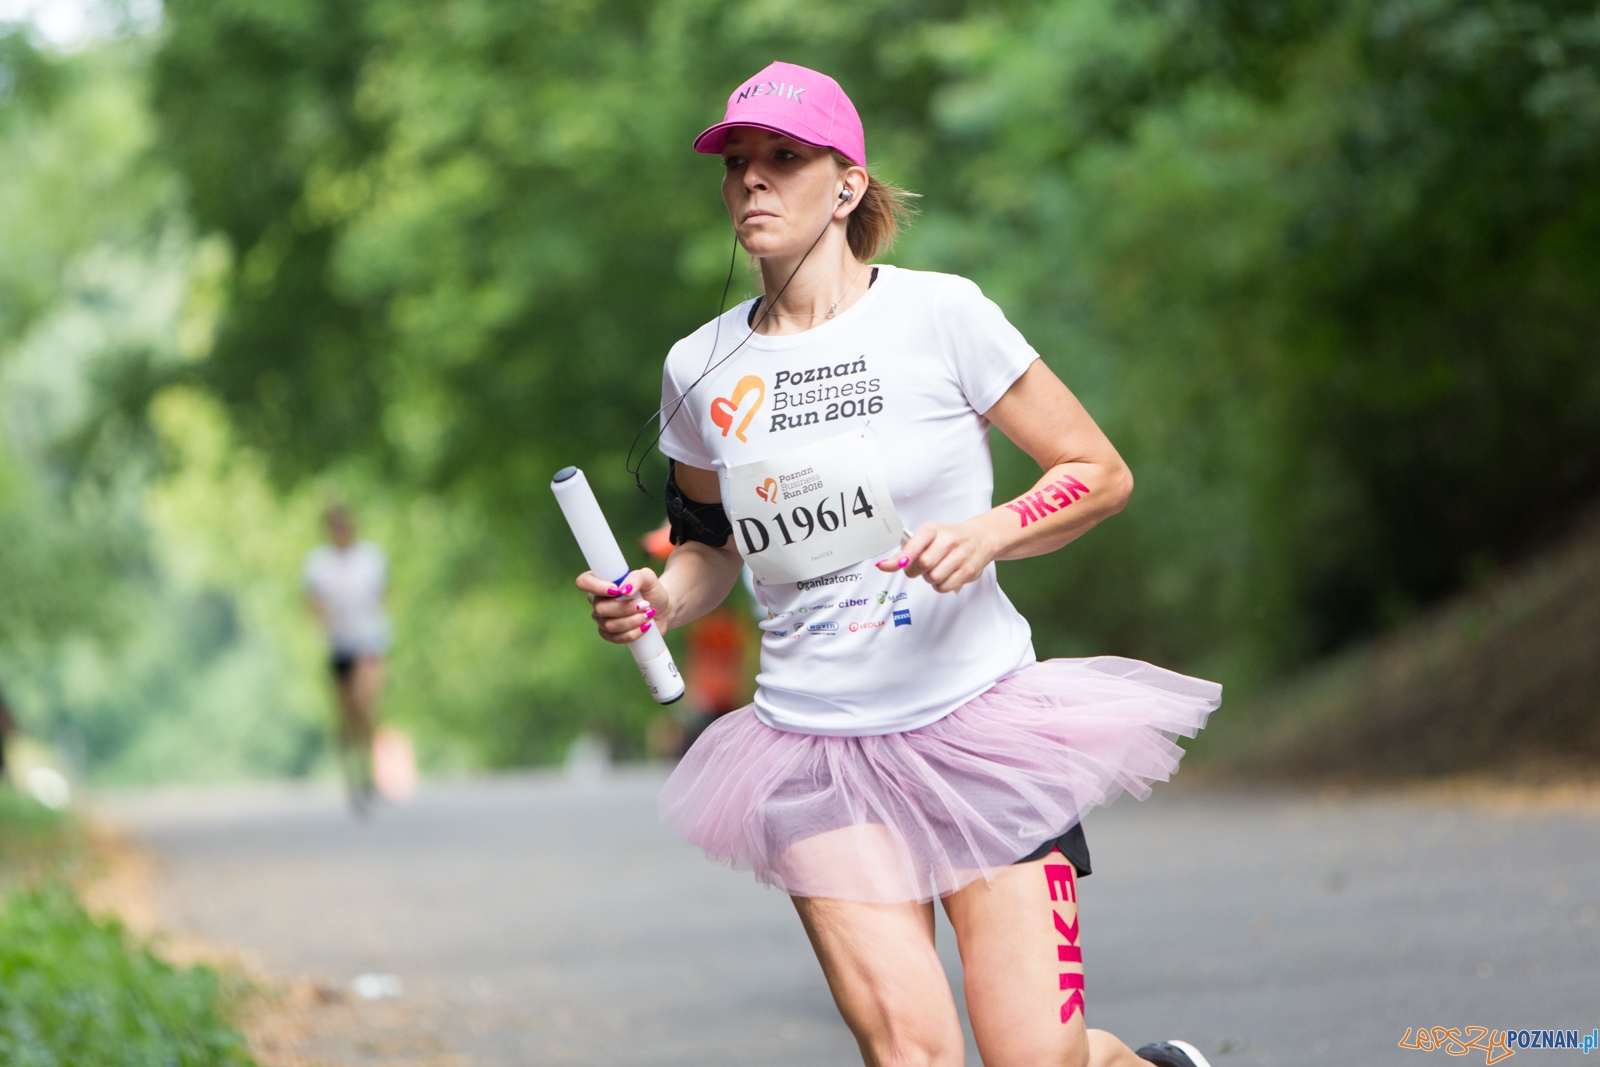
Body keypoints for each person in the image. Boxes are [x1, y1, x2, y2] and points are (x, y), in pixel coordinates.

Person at [577, 62, 1222, 1067]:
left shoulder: (941, 316)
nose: (751, 181)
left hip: (980, 723)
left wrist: (993, 529)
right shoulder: (698, 367)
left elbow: (1094, 471)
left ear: (845, 186)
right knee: (912, 1055)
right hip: (816, 750)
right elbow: (708, 546)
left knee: (1035, 1059)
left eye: (783, 160)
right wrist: (658, 598)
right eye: (737, 163)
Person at [304, 505, 391, 814]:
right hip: (339, 646)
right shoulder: (318, 563)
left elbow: (382, 595)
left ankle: (371, 777)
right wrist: (325, 614)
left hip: (369, 642)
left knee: (365, 704)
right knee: (346, 717)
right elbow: (311, 605)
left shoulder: (371, 558)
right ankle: (354, 778)